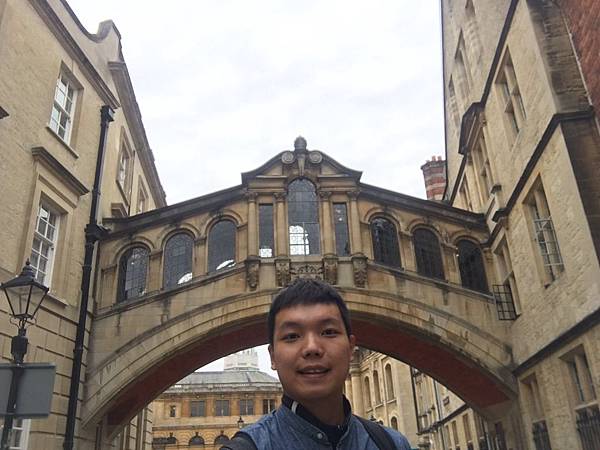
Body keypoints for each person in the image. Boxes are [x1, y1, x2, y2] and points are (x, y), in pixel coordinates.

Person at [221, 278, 411, 450]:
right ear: (273, 357)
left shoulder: (392, 444)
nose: (312, 348)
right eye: (292, 336)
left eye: (328, 332)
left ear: (351, 348)